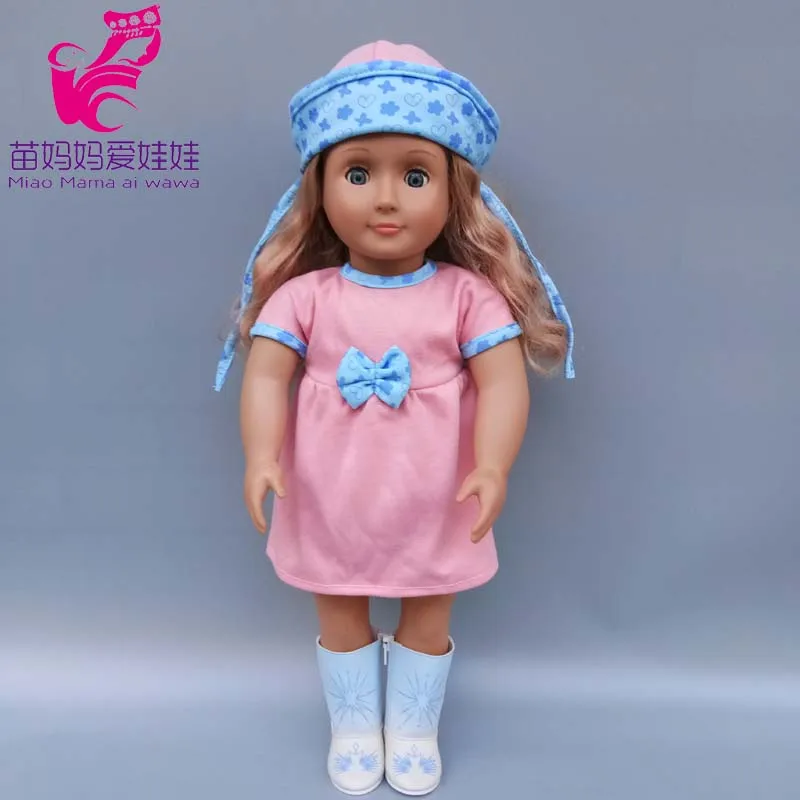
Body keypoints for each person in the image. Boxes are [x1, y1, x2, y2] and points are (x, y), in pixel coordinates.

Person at [214, 40, 575, 796]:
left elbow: (504, 385)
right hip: (329, 491)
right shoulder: (305, 297)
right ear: (319, 188)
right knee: (338, 601)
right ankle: (353, 725)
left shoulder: (467, 297)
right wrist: (261, 455)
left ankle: (411, 727)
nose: (386, 199)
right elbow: (267, 374)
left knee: (430, 605)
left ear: (452, 192)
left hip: (436, 492)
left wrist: (492, 464)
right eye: (358, 173)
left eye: (414, 176)